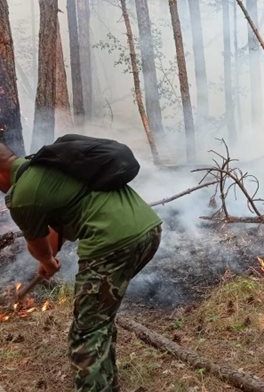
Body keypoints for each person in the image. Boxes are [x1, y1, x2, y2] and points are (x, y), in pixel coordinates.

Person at [0, 141, 162, 391]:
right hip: (148, 231)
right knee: (98, 319)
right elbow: (54, 238)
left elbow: (41, 249)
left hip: (112, 242)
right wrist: (49, 260)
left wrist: (45, 261)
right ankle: (106, 383)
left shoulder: (21, 196)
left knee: (86, 332)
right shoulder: (48, 165)